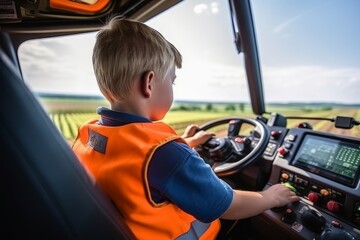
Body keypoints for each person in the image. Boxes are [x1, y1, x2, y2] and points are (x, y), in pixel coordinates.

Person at [72, 16, 299, 240]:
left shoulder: (91, 134)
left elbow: (129, 158)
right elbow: (228, 205)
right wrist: (270, 197)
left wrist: (187, 143)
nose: (172, 87)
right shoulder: (167, 155)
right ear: (149, 83)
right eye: (172, 81)